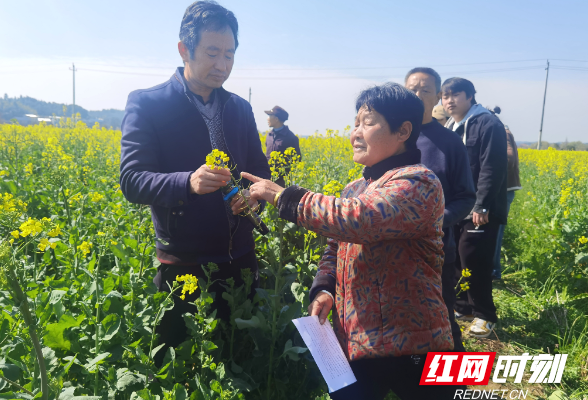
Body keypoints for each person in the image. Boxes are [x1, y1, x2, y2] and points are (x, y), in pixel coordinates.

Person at [243, 83, 462, 400]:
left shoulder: (420, 181)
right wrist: (325, 287)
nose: (355, 133)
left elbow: (359, 220)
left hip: (418, 343)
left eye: (368, 123)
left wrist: (282, 197)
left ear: (403, 131)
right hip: (360, 340)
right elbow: (335, 245)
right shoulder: (355, 187)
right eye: (355, 123)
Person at [119, 0, 270, 364]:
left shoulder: (239, 108)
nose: (222, 65)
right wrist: (188, 181)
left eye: (230, 55)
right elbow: (132, 180)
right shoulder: (148, 103)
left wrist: (255, 197)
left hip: (241, 255)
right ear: (184, 49)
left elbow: (261, 173)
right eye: (212, 52)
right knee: (180, 363)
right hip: (184, 260)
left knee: (239, 357)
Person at [405, 67, 476, 352]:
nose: (418, 95)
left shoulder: (449, 143)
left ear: (437, 98)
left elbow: (465, 196)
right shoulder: (389, 135)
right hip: (389, 252)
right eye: (412, 88)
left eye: (425, 90)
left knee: (442, 319)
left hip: (434, 251)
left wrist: (436, 221)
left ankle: (456, 387)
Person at [442, 77, 507, 339]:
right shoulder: (451, 125)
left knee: (474, 258)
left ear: (470, 96)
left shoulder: (487, 122)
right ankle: (464, 307)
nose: (449, 101)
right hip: (458, 206)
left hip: (480, 208)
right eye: (445, 96)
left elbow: (492, 167)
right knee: (456, 256)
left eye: (455, 95)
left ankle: (485, 315)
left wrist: (482, 204)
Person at [493, 125, 521, 279]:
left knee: (496, 230)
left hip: (503, 188)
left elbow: (508, 158)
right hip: (500, 188)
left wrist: (489, 175)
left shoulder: (502, 132)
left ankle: (494, 270)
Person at [264, 106, 301, 186]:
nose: (267, 118)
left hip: (283, 181)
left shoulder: (290, 137)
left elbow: (297, 159)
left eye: (270, 116)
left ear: (276, 119)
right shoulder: (269, 135)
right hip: (268, 177)